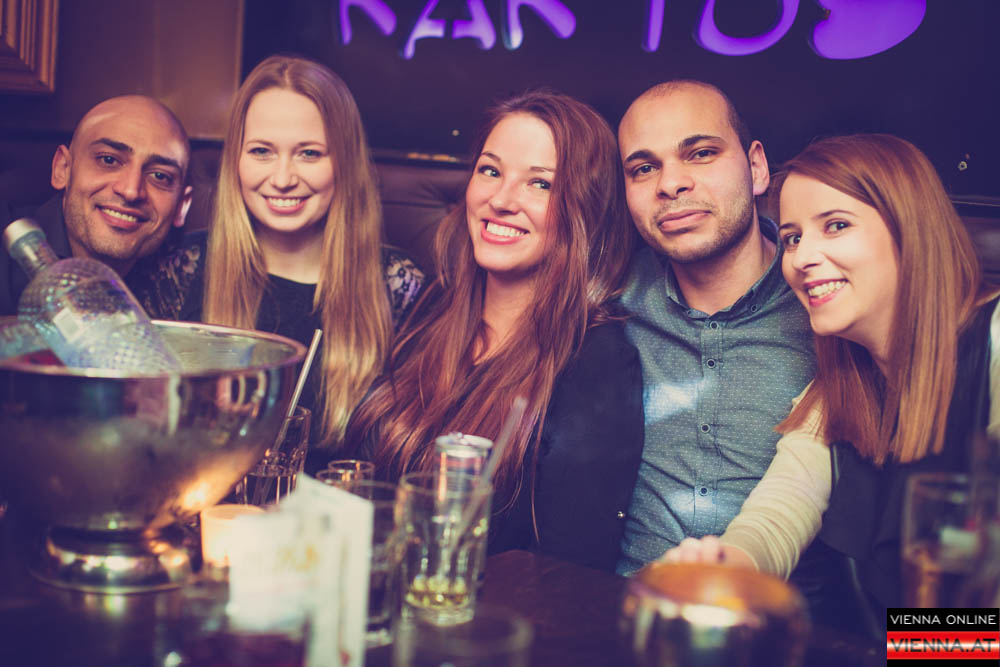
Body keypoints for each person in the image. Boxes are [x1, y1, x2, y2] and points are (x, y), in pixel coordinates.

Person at [663, 133, 999, 637]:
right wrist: (723, 567)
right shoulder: (839, 391)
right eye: (793, 237)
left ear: (910, 229)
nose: (801, 258)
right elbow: (775, 517)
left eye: (836, 226)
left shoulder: (993, 342)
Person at [345, 90, 644, 572]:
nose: (501, 200)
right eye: (490, 170)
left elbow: (567, 575)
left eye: (540, 184)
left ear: (585, 209)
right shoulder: (431, 308)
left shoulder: (596, 362)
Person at [161, 55, 424, 451]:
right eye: (261, 151)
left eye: (309, 153)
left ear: (345, 164)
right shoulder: (183, 267)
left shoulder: (399, 286)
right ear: (236, 160)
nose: (282, 179)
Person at [614, 80, 815, 576]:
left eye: (701, 153)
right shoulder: (607, 298)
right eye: (644, 168)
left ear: (757, 167)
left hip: (780, 613)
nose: (670, 184)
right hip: (618, 603)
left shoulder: (825, 304)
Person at [0, 95, 193, 317]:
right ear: (63, 169)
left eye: (159, 176)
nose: (131, 191)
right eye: (108, 160)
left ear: (182, 205)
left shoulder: (184, 284)